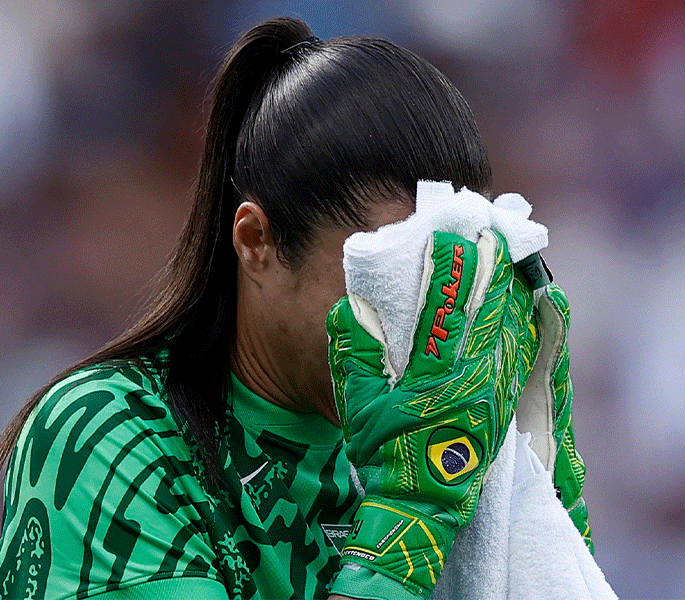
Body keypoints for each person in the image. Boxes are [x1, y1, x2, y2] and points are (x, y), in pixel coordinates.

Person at [0, 16, 591, 600]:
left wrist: (533, 509)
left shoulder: (438, 439)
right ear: (256, 242)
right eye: (388, 279)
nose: (419, 340)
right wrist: (410, 516)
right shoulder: (109, 441)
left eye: (448, 282)